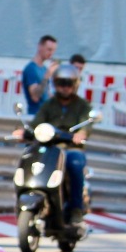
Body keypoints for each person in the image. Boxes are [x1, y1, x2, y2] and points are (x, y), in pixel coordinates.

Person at [30, 63, 92, 223]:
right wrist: (25, 132)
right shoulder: (48, 105)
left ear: (75, 85)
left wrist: (82, 133)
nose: (65, 87)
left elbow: (86, 124)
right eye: (61, 83)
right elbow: (37, 123)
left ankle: (76, 209)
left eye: (68, 83)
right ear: (55, 84)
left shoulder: (82, 105)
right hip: (51, 148)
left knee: (75, 164)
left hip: (71, 149)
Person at [22, 34, 58, 116]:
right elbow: (35, 96)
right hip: (35, 115)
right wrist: (47, 75)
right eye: (49, 49)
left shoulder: (44, 69)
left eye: (53, 50)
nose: (51, 53)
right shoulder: (31, 69)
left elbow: (47, 94)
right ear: (40, 47)